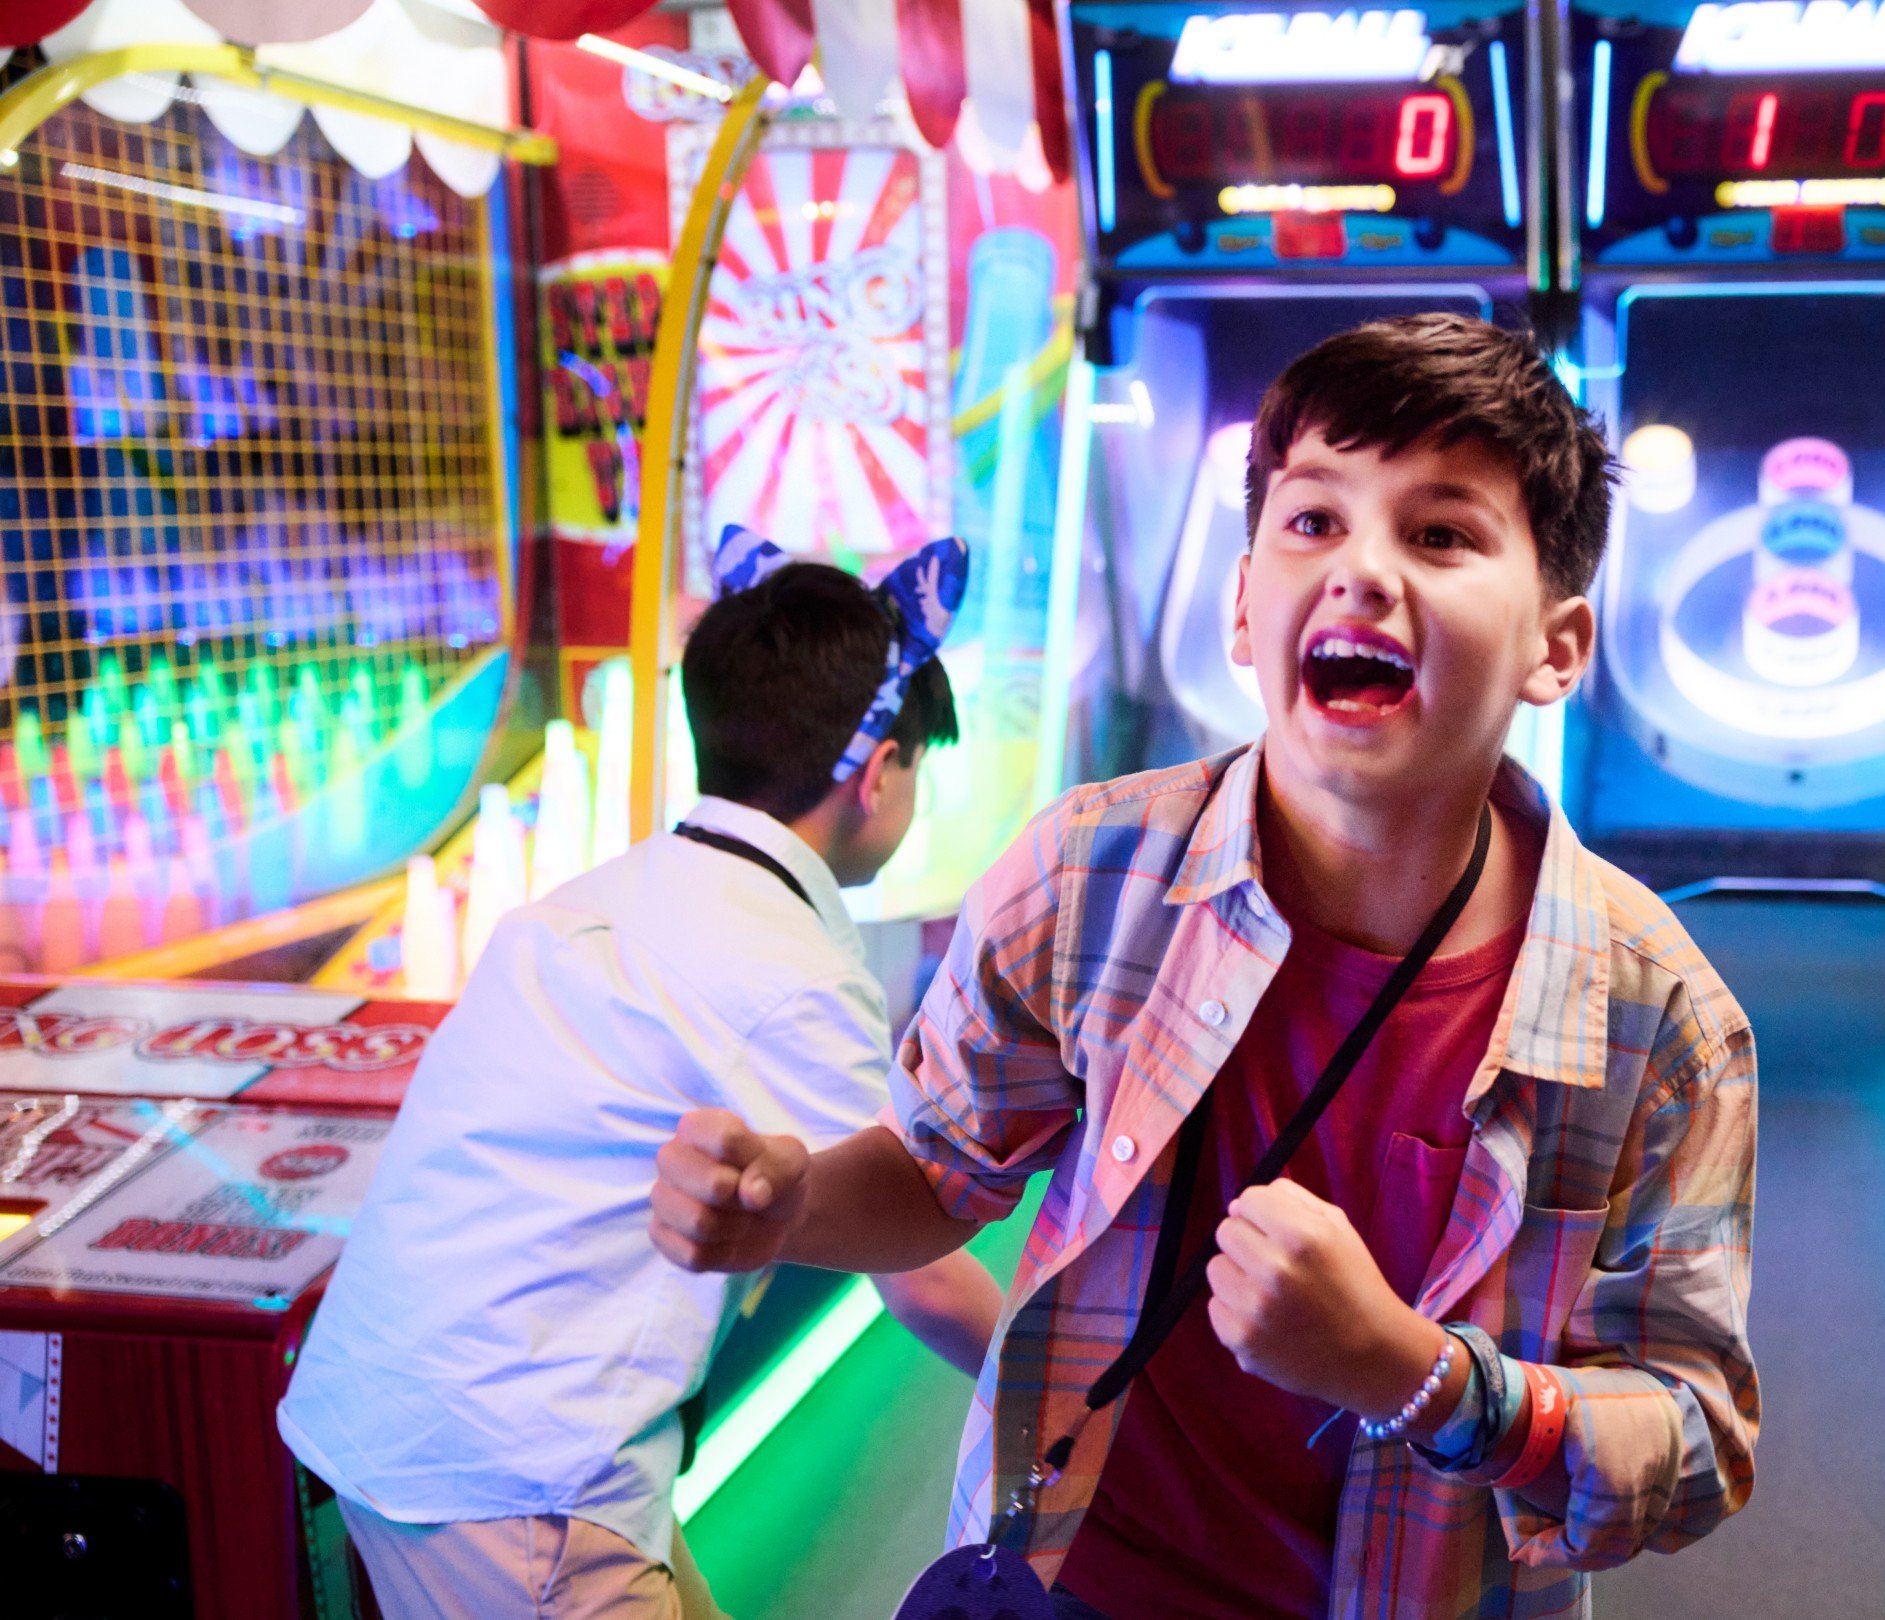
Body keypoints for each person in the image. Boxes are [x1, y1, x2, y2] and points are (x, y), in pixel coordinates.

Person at [647, 313, 1762, 1618]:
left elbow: (1696, 1443)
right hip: (1079, 1582)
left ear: (1554, 648)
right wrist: (791, 1209)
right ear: (1244, 607)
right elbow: (938, 1176)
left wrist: (1420, 1377)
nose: (1362, 571)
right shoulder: (1085, 874)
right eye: (1312, 521)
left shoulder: (1665, 1020)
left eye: (1442, 532)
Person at [279, 545, 1002, 1620]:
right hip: (519, 1478)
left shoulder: (621, 891)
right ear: (880, 770)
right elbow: (922, 1264)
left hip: (408, 1427)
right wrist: (1083, 1389)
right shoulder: (786, 963)